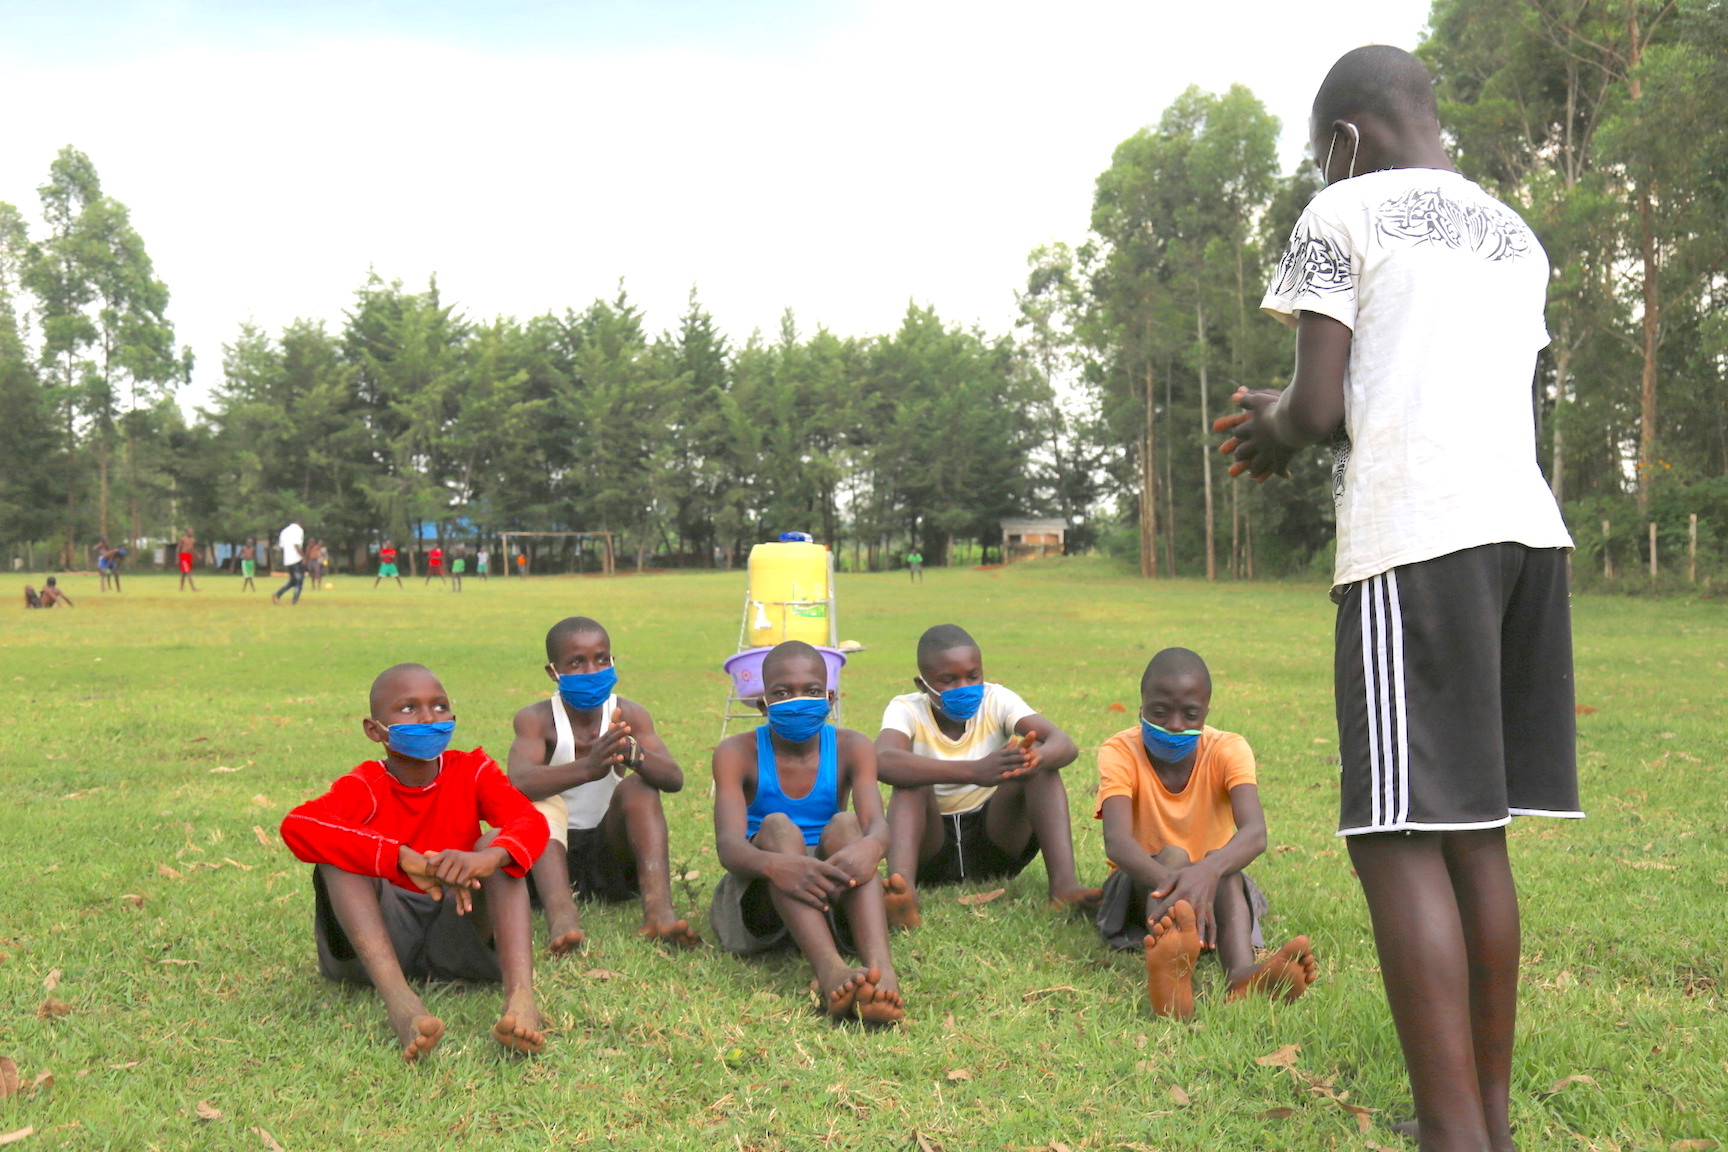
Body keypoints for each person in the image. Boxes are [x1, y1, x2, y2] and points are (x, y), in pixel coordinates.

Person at [1215, 46, 1580, 1152]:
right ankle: (1491, 1121)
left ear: (1346, 138)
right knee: (1476, 835)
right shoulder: (1517, 235)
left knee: (1392, 836)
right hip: (1526, 534)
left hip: (1415, 539)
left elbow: (1321, 405)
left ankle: (1450, 1133)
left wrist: (1268, 424)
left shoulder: (1343, 207)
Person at [279, 662, 550, 1061]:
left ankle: (521, 997)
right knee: (336, 854)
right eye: (408, 709)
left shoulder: (472, 771)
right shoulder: (366, 785)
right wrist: (400, 858)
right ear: (374, 730)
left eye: (440, 706)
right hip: (386, 936)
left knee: (501, 842)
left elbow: (530, 821)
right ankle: (401, 1003)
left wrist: (485, 860)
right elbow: (298, 824)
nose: (428, 718)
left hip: (460, 930)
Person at [1096, 648, 1317, 1020]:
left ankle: (1241, 977)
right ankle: (1172, 975)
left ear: (1207, 713)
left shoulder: (1228, 749)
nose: (1176, 724)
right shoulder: (1119, 750)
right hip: (1140, 885)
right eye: (1160, 711)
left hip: (1216, 890)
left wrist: (1206, 874)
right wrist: (1183, 887)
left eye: (1190, 714)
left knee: (1222, 863)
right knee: (1173, 856)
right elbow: (1117, 843)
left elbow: (1255, 833)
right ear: (1141, 707)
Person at [710, 640, 904, 1025]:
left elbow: (877, 824)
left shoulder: (853, 746)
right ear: (763, 703)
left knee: (849, 825)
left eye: (812, 691)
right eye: (783, 692)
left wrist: (873, 846)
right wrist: (778, 866)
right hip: (764, 898)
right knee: (779, 826)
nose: (799, 700)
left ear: (829, 698)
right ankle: (830, 970)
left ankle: (882, 969)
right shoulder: (736, 752)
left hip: (834, 897)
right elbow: (729, 847)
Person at [875, 623, 1100, 930]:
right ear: (922, 683)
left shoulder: (996, 699)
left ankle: (1064, 888)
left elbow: (1064, 744)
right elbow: (883, 760)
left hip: (993, 843)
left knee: (1038, 769)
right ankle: (903, 896)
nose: (964, 687)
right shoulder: (906, 709)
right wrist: (972, 771)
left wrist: (1038, 758)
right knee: (911, 779)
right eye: (948, 680)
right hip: (929, 849)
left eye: (972, 675)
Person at [506, 616, 698, 952]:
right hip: (551, 858)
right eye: (576, 662)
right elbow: (519, 782)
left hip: (610, 855)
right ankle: (563, 917)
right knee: (539, 802)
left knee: (640, 787)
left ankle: (659, 912)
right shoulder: (536, 719)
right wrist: (589, 767)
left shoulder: (629, 713)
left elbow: (674, 778)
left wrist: (635, 756)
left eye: (602, 659)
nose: (592, 670)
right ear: (554, 672)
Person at [273, 518, 307, 605]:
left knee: (293, 581)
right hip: (296, 559)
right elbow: (296, 545)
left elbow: (281, 546)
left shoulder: (284, 531)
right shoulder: (299, 530)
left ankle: (277, 594)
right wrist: (303, 557)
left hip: (287, 560)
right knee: (299, 581)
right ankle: (294, 602)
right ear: (301, 523)